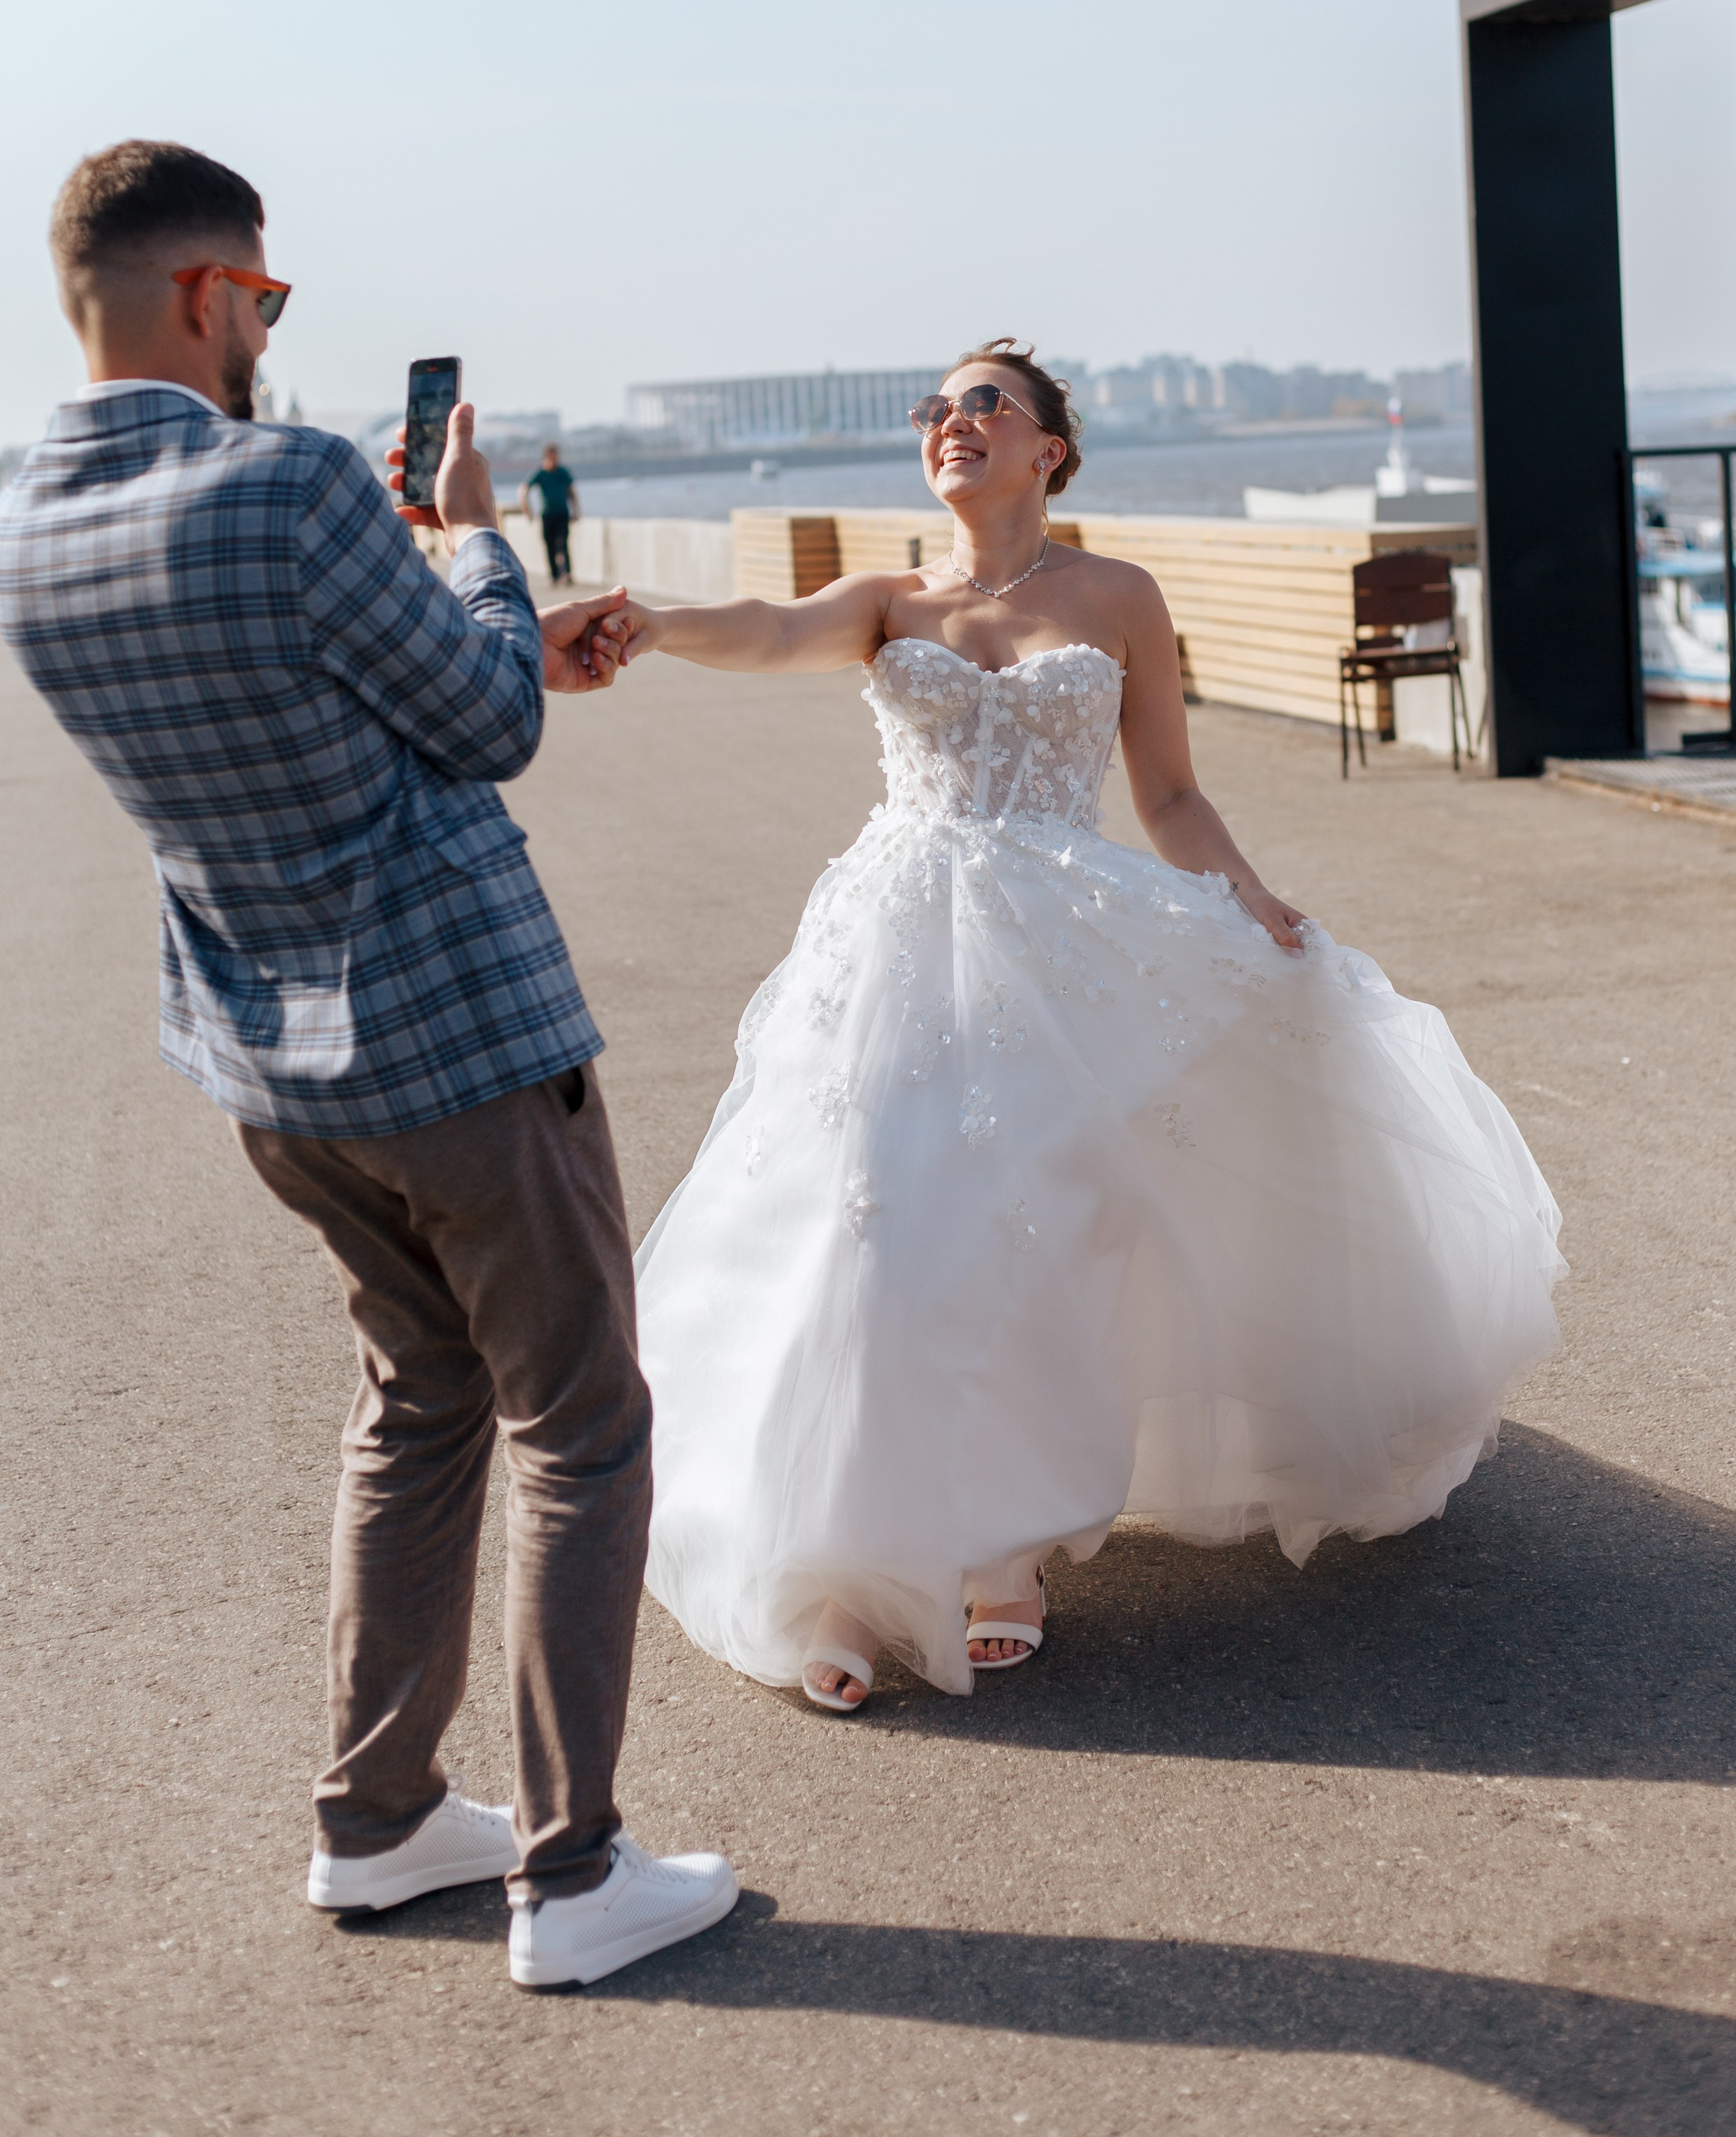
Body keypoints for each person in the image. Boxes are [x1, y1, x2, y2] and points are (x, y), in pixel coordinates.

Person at [0, 141, 737, 1987]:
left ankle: (381, 1814)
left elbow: (299, 713)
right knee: (581, 1420)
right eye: (265, 298)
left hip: (273, 1064)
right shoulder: (297, 481)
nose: (266, 330)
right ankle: (572, 1875)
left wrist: (465, 632)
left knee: (416, 1402)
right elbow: (485, 721)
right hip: (460, 1038)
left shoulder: (25, 520)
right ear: (201, 294)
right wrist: (480, 540)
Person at [623, 341, 1564, 1710]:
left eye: (985, 403)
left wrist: (1249, 902)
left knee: (1046, 1224)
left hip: (1064, 944)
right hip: (897, 944)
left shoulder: (1118, 597)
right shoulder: (889, 600)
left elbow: (1170, 796)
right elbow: (770, 627)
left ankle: (1005, 1541)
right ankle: (833, 1560)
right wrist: (648, 620)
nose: (952, 422)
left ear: (1050, 448)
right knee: (868, 1224)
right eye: (937, 408)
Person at [519, 443, 578, 583]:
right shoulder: (540, 473)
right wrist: (527, 509)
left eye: (556, 456)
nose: (554, 459)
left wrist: (575, 510)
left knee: (562, 543)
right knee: (549, 545)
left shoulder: (563, 472)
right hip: (547, 515)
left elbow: (571, 492)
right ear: (546, 457)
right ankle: (554, 575)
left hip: (562, 514)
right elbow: (524, 489)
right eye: (552, 456)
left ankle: (567, 574)